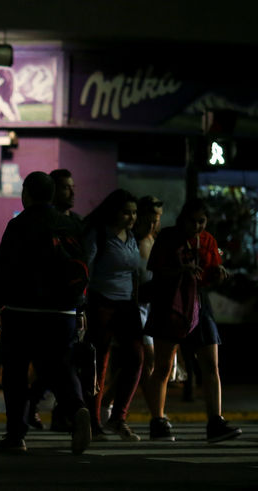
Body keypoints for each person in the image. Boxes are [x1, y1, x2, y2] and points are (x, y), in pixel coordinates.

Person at [0, 171, 91, 455]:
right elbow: (81, 270)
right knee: (62, 367)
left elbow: (4, 270)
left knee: (16, 373)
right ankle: (78, 408)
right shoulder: (69, 224)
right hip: (63, 313)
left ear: (27, 193)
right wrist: (79, 307)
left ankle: (16, 435)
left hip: (23, 312)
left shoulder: (19, 225)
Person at [144, 198, 242, 443]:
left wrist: (218, 274)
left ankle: (215, 421)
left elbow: (209, 275)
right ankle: (158, 419)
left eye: (202, 221)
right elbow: (156, 271)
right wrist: (181, 271)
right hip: (171, 302)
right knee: (164, 366)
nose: (197, 226)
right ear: (182, 219)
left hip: (198, 301)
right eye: (193, 221)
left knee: (210, 364)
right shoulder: (168, 238)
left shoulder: (207, 240)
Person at [82, 189, 144, 441]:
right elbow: (86, 268)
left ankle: (119, 417)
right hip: (102, 303)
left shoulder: (131, 236)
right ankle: (93, 423)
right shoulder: (99, 234)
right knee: (100, 364)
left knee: (136, 358)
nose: (131, 218)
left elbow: (135, 272)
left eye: (134, 213)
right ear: (114, 212)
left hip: (127, 305)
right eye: (127, 212)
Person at [27, 169, 83, 431]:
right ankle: (68, 410)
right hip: (44, 307)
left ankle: (61, 411)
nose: (71, 192)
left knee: (58, 362)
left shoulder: (76, 224)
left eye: (72, 187)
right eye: (65, 188)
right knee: (54, 362)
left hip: (66, 307)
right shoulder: (38, 224)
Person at [99, 195, 163, 421]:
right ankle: (155, 415)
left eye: (158, 219)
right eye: (129, 212)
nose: (153, 223)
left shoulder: (138, 241)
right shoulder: (111, 238)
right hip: (113, 304)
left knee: (137, 361)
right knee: (120, 361)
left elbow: (138, 276)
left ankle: (114, 412)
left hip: (135, 307)